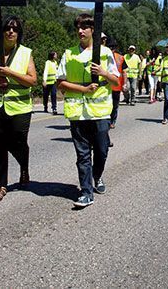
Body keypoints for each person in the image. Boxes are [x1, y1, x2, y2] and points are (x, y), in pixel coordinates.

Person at [56, 13, 119, 207]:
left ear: (93, 30)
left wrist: (103, 72)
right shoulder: (69, 54)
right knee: (82, 154)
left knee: (101, 151)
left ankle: (97, 175)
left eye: (85, 27)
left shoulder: (105, 53)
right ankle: (85, 192)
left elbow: (116, 81)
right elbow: (60, 83)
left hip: (100, 112)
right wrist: (82, 89)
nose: (80, 31)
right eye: (78, 27)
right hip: (78, 112)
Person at [0, 16, 37, 203]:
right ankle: (1, 185)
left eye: (15, 29)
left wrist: (9, 72)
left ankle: (24, 166)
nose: (11, 32)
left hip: (19, 107)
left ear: (19, 34)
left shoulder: (25, 53)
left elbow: (32, 80)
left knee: (18, 142)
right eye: (7, 28)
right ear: (1, 31)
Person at [108, 39, 124, 133]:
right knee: (107, 105)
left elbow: (124, 71)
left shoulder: (120, 58)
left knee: (114, 105)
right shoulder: (104, 57)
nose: (112, 49)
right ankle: (107, 121)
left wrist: (125, 84)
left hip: (117, 85)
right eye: (110, 47)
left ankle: (113, 121)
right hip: (106, 86)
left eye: (113, 47)